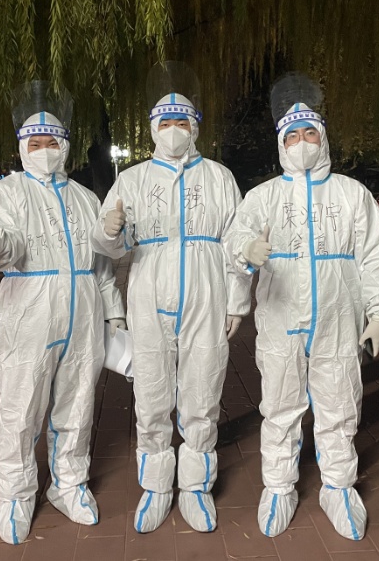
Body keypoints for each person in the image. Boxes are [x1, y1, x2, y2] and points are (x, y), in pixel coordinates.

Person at [224, 75, 379, 540]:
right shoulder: (264, 196)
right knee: (280, 406)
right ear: (281, 143)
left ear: (323, 138)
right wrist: (247, 251)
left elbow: (376, 254)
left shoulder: (350, 194)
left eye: (310, 134)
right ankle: (279, 486)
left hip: (339, 322)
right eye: (292, 136)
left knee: (340, 404)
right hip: (280, 320)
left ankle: (338, 487)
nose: (301, 143)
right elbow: (235, 239)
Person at [0, 82, 126, 545]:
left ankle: (68, 484)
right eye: (35, 143)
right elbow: (5, 245)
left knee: (77, 404)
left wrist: (114, 314)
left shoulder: (84, 198)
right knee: (21, 407)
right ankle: (16, 494)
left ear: (65, 146)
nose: (43, 150)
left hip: (83, 318)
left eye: (51, 142)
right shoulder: (8, 193)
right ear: (22, 146)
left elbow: (101, 266)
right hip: (29, 316)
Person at [91, 89, 251, 534]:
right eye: (165, 124)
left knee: (203, 391)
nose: (174, 131)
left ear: (194, 128)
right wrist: (109, 231)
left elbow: (237, 241)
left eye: (182, 123)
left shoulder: (219, 177)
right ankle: (157, 486)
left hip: (207, 293)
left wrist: (237, 299)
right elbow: (109, 244)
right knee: (151, 394)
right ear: (153, 130)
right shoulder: (133, 179)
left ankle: (196, 487)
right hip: (149, 293)